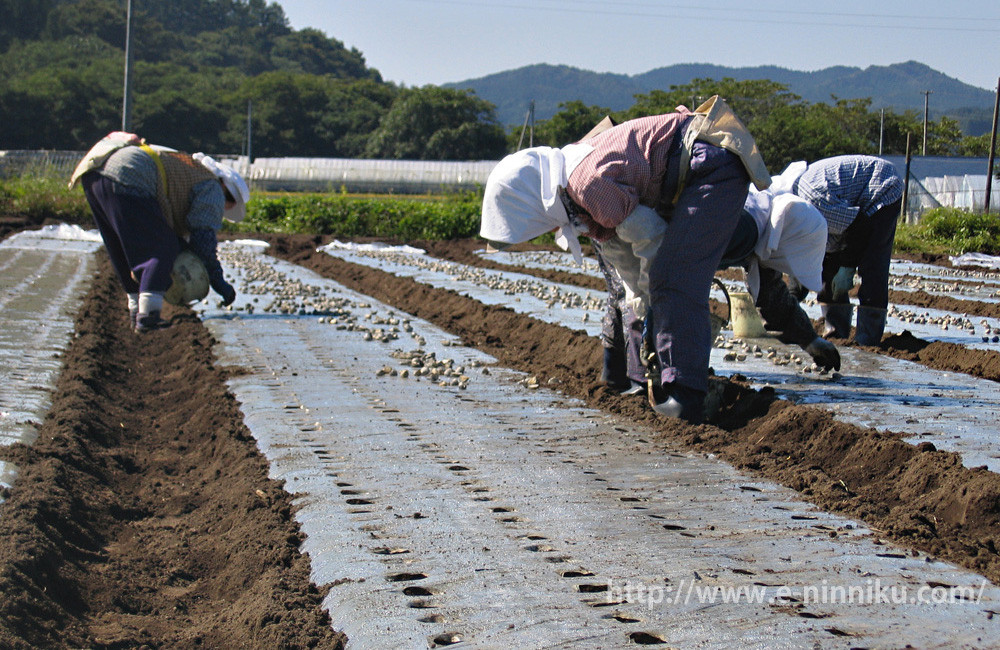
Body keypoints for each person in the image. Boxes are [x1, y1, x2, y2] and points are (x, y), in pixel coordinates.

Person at [480, 96, 770, 423]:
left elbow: (652, 241)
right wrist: (641, 301)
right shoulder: (575, 200)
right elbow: (624, 257)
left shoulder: (586, 184)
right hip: (688, 173)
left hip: (711, 161)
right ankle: (657, 378)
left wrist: (655, 300)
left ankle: (686, 393)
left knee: (676, 276)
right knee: (649, 291)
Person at [69, 132, 249, 332]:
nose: (225, 208)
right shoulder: (213, 187)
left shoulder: (187, 172)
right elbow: (202, 238)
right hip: (129, 173)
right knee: (162, 247)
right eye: (230, 202)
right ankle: (148, 317)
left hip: (95, 175)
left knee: (122, 249)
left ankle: (136, 310)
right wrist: (216, 277)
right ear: (225, 186)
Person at [788, 155, 903, 345]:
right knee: (828, 265)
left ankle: (868, 339)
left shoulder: (815, 203)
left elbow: (860, 228)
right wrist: (790, 300)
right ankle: (836, 334)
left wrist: (847, 267)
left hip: (881, 187)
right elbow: (803, 259)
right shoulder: (793, 217)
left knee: (872, 264)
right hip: (848, 200)